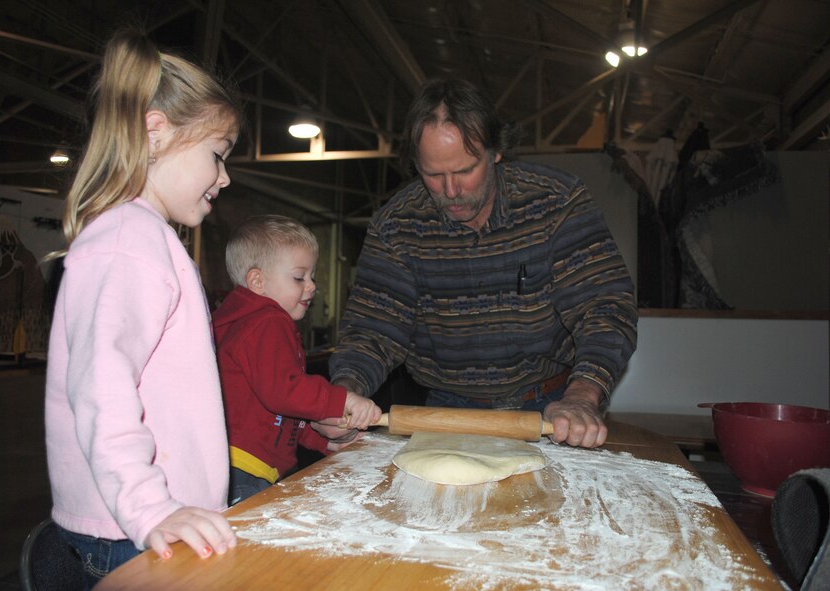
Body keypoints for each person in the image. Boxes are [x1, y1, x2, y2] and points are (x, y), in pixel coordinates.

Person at [328, 78, 638, 449]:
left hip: (551, 410)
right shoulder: (396, 226)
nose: (451, 191)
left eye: (464, 171)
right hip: (448, 412)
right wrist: (342, 395)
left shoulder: (557, 202)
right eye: (433, 175)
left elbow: (604, 308)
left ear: (495, 152)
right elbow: (373, 331)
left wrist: (583, 396)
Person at [44, 28, 242, 586]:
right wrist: (150, 508)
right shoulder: (127, 240)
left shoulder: (144, 237)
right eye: (217, 155)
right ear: (157, 133)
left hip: (142, 521)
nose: (225, 177)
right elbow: (102, 388)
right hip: (129, 530)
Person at [213, 215, 381, 505]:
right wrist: (344, 401)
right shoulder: (267, 322)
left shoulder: (249, 324)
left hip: (236, 465)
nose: (312, 286)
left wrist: (322, 441)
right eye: (299, 277)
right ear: (258, 281)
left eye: (312, 276)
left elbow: (278, 416)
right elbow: (285, 392)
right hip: (243, 470)